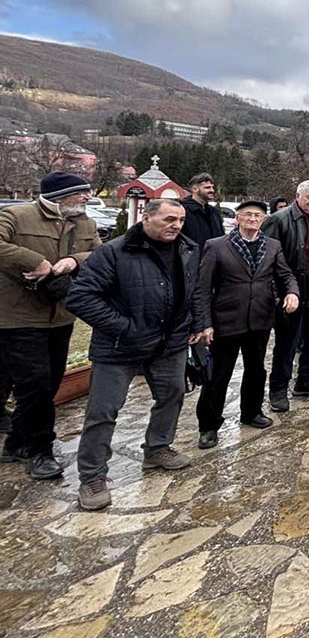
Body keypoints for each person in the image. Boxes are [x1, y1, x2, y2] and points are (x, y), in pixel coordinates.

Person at [67, 199, 205, 510]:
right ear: (146, 217)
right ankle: (92, 476)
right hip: (120, 346)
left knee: (172, 395)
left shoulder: (188, 248)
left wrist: (198, 322)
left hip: (169, 343)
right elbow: (81, 297)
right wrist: (125, 327)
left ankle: (157, 447)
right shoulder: (114, 252)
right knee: (103, 412)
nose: (177, 225)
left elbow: (194, 289)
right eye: (169, 219)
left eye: (181, 220)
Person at [0, 172, 101, 480]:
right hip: (17, 316)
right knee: (36, 383)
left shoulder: (85, 223)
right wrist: (34, 261)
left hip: (60, 315)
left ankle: (16, 443)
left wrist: (74, 260)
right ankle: (39, 449)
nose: (87, 198)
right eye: (81, 193)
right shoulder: (16, 215)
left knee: (50, 381)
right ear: (61, 195)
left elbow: (100, 251)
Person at [194, 200, 299, 448]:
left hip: (260, 319)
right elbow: (202, 288)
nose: (253, 219)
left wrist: (292, 292)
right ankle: (209, 425)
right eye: (248, 215)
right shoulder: (217, 246)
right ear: (238, 219)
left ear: (264, 220)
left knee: (256, 369)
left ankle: (251, 412)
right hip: (227, 320)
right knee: (219, 374)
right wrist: (205, 323)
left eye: (258, 216)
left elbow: (285, 274)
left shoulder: (272, 246)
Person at [263, 179, 309, 411]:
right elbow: (268, 261)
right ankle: (278, 390)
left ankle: (305, 379)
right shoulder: (279, 220)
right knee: (287, 343)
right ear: (298, 196)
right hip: (292, 292)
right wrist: (278, 293)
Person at [179, 172, 225, 250]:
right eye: (207, 188)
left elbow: (221, 238)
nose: (212, 190)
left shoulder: (214, 212)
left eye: (212, 187)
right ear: (194, 189)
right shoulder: (182, 210)